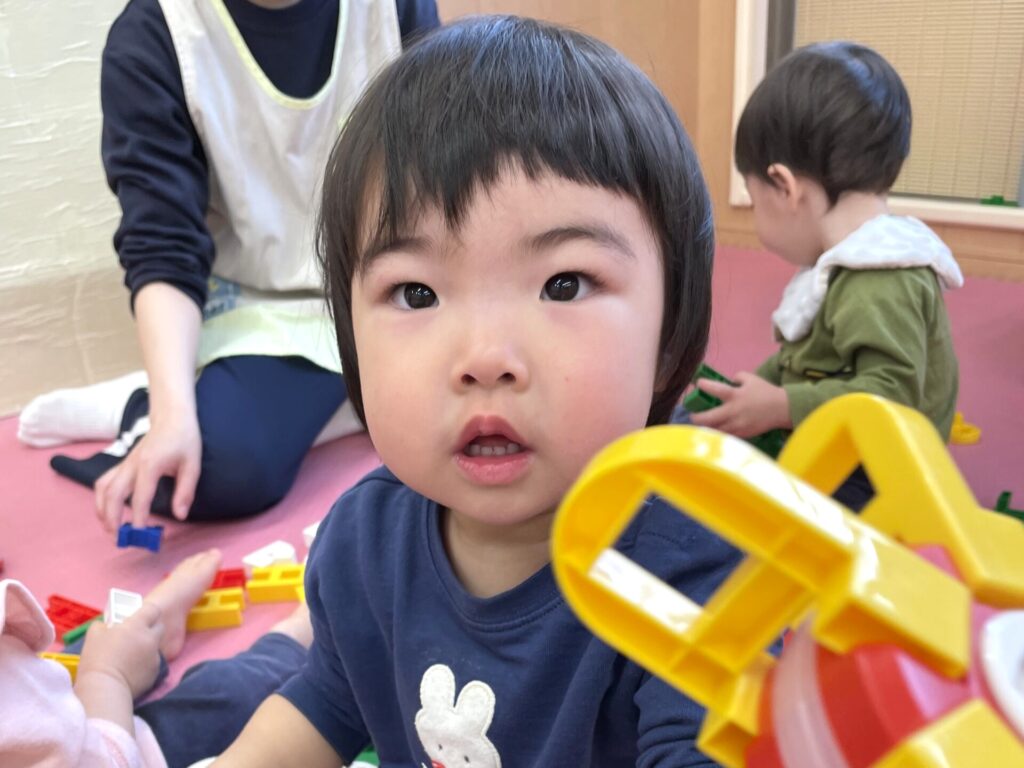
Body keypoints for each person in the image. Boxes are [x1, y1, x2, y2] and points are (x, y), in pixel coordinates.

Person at [213, 15, 739, 767]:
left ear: (669, 333)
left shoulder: (693, 563)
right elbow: (329, 700)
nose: (485, 358)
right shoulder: (364, 544)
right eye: (417, 294)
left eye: (564, 284)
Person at [16, 0, 440, 531]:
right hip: (261, 308)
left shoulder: (394, 8)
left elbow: (440, 170)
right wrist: (172, 415)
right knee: (216, 471)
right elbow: (162, 245)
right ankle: (153, 402)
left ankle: (283, 399)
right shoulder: (158, 34)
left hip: (387, 288)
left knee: (492, 403)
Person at [690, 41, 963, 511]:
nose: (755, 217)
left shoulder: (880, 277)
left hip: (878, 479)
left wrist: (781, 406)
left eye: (754, 201)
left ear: (785, 187)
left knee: (748, 509)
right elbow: (807, 359)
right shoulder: (845, 263)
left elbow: (891, 398)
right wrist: (748, 394)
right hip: (847, 454)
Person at [0, 549, 314, 768]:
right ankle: (294, 636)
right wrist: (106, 675)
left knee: (84, 651)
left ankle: (151, 626)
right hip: (113, 754)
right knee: (227, 689)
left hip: (31, 701)